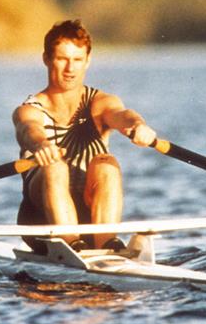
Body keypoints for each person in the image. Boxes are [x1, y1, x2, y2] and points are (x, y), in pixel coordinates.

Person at [13, 19, 157, 253]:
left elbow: (121, 115)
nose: (70, 69)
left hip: (91, 220)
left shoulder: (100, 103)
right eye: (62, 59)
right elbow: (29, 128)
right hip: (40, 224)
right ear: (46, 59)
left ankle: (107, 244)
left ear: (87, 61)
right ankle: (70, 244)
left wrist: (138, 125)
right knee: (55, 166)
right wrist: (41, 144)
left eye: (77, 60)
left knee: (106, 163)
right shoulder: (29, 109)